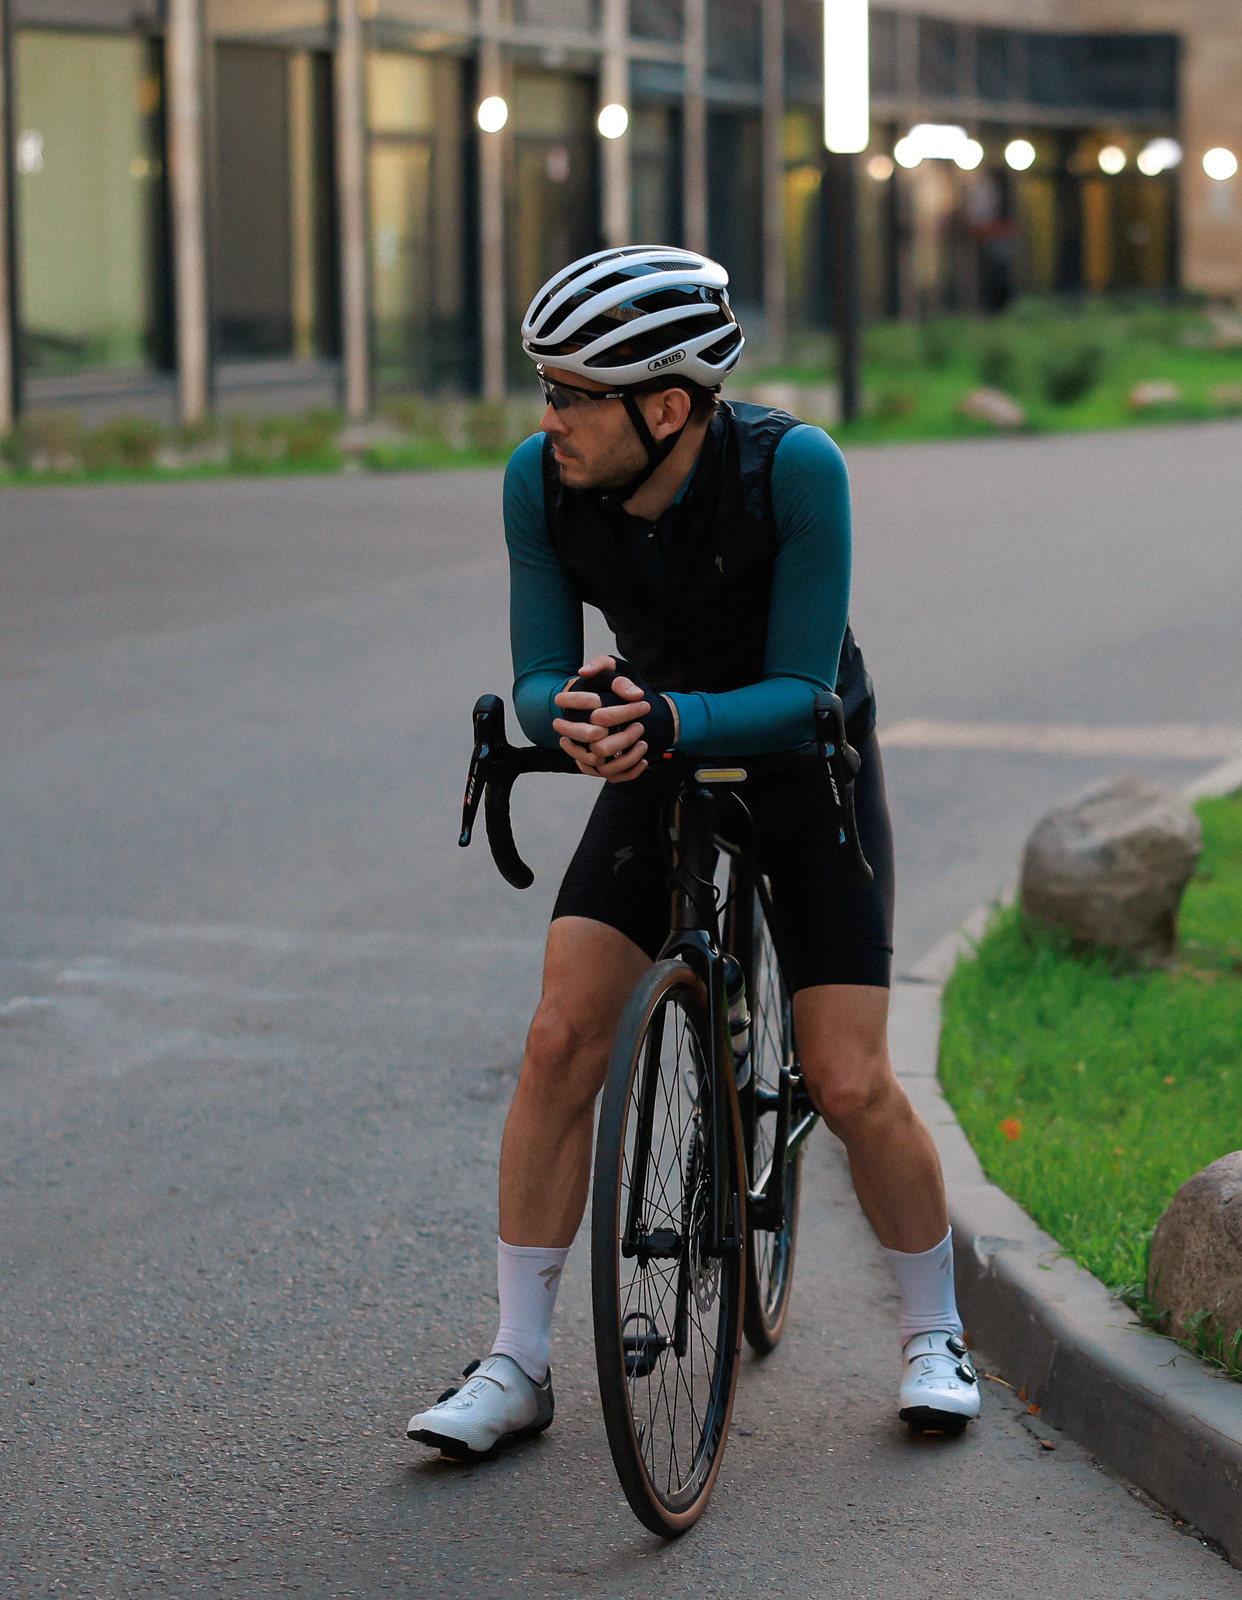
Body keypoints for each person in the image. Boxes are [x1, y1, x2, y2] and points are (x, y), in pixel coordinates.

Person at [404, 247, 978, 1458]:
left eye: (571, 394)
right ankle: (516, 1358)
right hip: (656, 738)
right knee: (560, 1036)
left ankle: (934, 1331)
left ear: (665, 407)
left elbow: (801, 687)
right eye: (545, 388)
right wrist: (574, 713)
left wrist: (663, 717)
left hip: (800, 747)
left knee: (847, 1076)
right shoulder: (541, 483)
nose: (546, 416)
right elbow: (536, 672)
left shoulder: (796, 472)